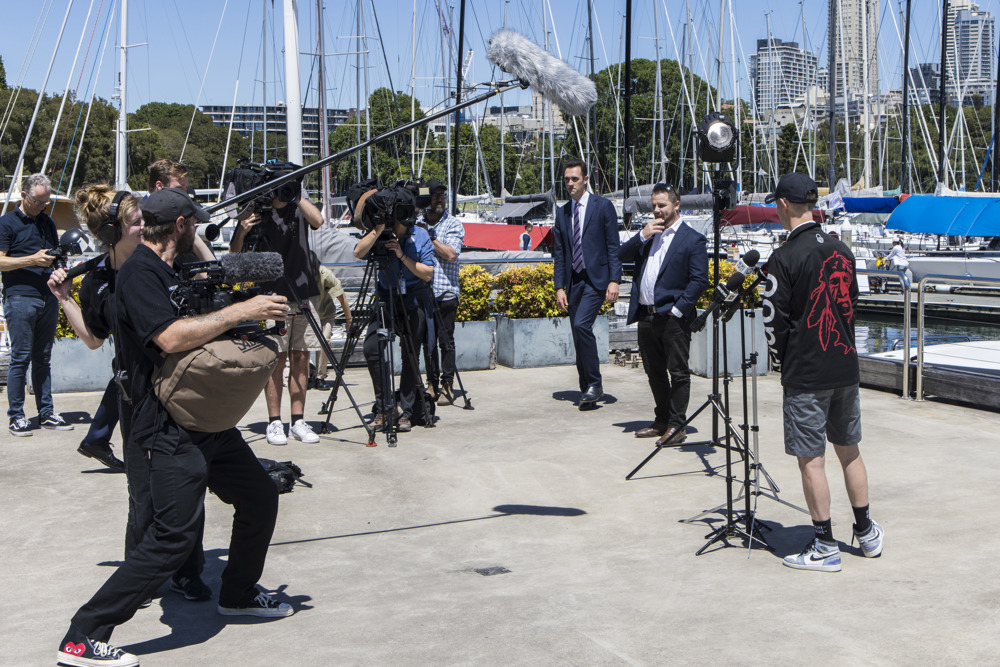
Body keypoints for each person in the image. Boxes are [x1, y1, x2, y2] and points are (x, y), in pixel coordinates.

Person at [57, 188, 293, 667]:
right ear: (181, 226)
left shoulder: (168, 269)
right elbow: (167, 337)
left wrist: (243, 315)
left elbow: (201, 324)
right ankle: (82, 636)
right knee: (171, 537)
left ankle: (239, 593)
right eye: (195, 224)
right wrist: (238, 313)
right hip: (163, 424)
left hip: (203, 415)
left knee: (258, 495)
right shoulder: (140, 273)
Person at [50, 183, 212, 604]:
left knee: (188, 486)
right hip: (136, 398)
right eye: (135, 221)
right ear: (113, 233)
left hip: (181, 390)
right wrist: (65, 298)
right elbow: (91, 338)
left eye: (144, 218)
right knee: (142, 493)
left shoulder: (166, 262)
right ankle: (139, 575)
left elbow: (213, 275)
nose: (145, 225)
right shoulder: (99, 281)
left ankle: (187, 573)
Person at [762, 172, 883, 573]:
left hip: (807, 372)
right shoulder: (842, 250)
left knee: (810, 459)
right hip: (845, 364)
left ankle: (823, 543)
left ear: (782, 204)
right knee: (849, 451)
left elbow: (773, 321)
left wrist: (781, 362)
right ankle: (865, 532)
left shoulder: (783, 257)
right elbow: (853, 303)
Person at [229, 181, 325, 446]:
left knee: (301, 357)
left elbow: (318, 219)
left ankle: (298, 420)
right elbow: (234, 256)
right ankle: (274, 422)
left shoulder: (297, 207)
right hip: (270, 295)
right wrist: (242, 228)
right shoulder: (257, 211)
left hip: (303, 291)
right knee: (275, 359)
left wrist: (295, 194)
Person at [619, 183, 709, 443]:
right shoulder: (649, 234)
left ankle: (677, 425)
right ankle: (662, 420)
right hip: (646, 316)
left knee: (678, 372)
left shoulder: (692, 239)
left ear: (676, 205)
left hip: (673, 318)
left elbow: (699, 280)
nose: (657, 211)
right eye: (654, 206)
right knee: (654, 372)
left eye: (662, 205)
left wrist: (679, 309)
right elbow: (620, 256)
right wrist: (642, 236)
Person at [0, 173, 74, 436]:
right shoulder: (6, 223)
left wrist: (60, 267)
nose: (43, 206)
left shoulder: (48, 223)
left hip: (47, 295)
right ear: (24, 196)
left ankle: (46, 412)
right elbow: (0, 261)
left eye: (47, 201)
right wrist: (32, 259)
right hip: (19, 296)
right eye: (39, 201)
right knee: (20, 358)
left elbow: (54, 256)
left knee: (43, 358)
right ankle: (16, 416)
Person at [353, 197, 435, 432]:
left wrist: (401, 255)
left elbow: (427, 273)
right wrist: (378, 229)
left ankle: (406, 411)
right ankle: (386, 406)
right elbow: (358, 252)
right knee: (371, 348)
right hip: (385, 296)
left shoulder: (420, 234)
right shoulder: (379, 232)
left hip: (412, 297)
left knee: (410, 354)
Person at [552, 158, 621, 405]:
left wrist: (614, 280)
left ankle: (594, 382)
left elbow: (614, 246)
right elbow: (559, 253)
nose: (570, 183)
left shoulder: (602, 207)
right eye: (567, 179)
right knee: (577, 334)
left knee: (582, 325)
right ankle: (587, 390)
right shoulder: (563, 213)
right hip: (573, 281)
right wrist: (559, 286)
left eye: (575, 179)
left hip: (596, 280)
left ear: (586, 180)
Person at [417, 180, 464, 406]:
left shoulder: (453, 224)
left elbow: (451, 254)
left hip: (445, 292)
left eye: (442, 195)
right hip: (424, 292)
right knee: (428, 343)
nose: (439, 199)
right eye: (434, 196)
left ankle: (447, 384)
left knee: (446, 342)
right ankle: (431, 383)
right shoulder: (416, 223)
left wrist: (430, 237)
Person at [311, 252, 352, 390]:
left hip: (326, 313)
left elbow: (343, 299)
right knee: (303, 343)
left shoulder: (326, 275)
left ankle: (320, 376)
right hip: (308, 314)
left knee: (324, 341)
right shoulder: (300, 273)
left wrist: (348, 320)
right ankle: (307, 373)